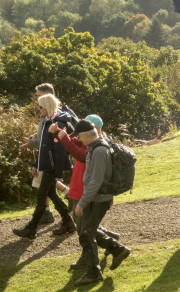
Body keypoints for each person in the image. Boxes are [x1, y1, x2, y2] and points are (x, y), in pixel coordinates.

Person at [72, 119, 131, 286]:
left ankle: (93, 273)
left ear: (85, 135)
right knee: (87, 230)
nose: (79, 140)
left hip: (97, 199)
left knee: (86, 234)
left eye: (79, 137)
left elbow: (96, 181)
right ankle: (117, 249)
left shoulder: (98, 151)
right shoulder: (98, 146)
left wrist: (82, 203)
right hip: (98, 197)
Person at [12, 94, 75, 239]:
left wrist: (58, 172)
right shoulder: (48, 121)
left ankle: (31, 228)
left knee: (41, 196)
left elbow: (59, 149)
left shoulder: (57, 122)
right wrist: (36, 164)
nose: (39, 109)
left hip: (51, 167)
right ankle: (68, 222)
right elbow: (44, 148)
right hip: (47, 165)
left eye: (40, 106)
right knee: (52, 193)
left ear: (47, 107)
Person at [49, 114, 119, 241]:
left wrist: (63, 137)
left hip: (87, 191)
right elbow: (73, 142)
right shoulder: (90, 142)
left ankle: (114, 247)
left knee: (84, 227)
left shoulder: (99, 146)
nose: (79, 137)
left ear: (95, 129)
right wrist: (58, 133)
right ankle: (111, 242)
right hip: (83, 189)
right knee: (85, 225)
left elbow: (80, 155)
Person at [18, 83, 56, 224]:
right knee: (48, 188)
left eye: (39, 97)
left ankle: (44, 215)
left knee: (41, 186)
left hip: (47, 157)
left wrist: (32, 143)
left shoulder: (53, 115)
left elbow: (47, 140)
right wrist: (35, 136)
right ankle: (64, 207)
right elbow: (43, 134)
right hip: (44, 156)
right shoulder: (46, 113)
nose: (37, 102)